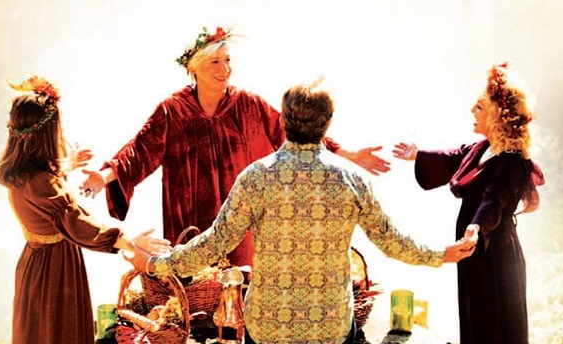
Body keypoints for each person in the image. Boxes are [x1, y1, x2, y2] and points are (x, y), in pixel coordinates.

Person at [125, 81, 475, 344]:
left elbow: (213, 244)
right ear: (327, 123)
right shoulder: (350, 180)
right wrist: (441, 254)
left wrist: (157, 265)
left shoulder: (257, 178)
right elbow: (391, 241)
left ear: (285, 121)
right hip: (329, 325)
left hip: (268, 325)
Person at [81, 26, 391, 268]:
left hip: (242, 218)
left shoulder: (248, 104)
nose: (225, 68)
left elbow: (295, 131)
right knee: (198, 290)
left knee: (242, 287)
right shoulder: (172, 111)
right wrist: (103, 177)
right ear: (194, 68)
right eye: (215, 61)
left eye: (228, 60)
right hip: (192, 219)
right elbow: (139, 152)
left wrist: (348, 155)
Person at [0, 76, 169, 344]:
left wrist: (67, 167)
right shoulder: (45, 183)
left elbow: (56, 202)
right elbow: (77, 222)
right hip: (57, 276)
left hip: (34, 267)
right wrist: (128, 240)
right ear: (47, 133)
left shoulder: (19, 174)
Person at [392, 62, 545, 344]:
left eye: (479, 107)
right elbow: (451, 159)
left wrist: (477, 228)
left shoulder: (512, 162)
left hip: (497, 261)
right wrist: (416, 155)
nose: (472, 111)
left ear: (498, 114)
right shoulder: (481, 149)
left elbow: (494, 200)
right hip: (474, 258)